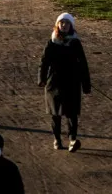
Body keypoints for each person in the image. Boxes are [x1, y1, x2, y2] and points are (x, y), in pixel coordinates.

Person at [39, 13, 91, 152]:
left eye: (67, 23)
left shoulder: (75, 43)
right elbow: (44, 62)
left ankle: (72, 140)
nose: (64, 25)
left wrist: (86, 84)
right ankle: (57, 139)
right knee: (55, 113)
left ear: (71, 26)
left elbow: (83, 64)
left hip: (72, 82)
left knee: (72, 113)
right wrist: (42, 78)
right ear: (57, 25)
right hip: (54, 83)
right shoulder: (52, 42)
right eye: (61, 23)